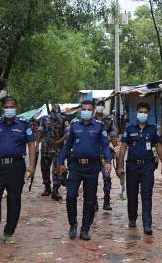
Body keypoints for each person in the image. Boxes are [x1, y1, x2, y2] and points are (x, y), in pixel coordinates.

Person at [0, 96, 36, 249]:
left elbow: (31, 145)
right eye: (6, 106)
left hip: (16, 167)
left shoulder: (24, 125)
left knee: (14, 200)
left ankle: (9, 232)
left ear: (16, 108)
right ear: (3, 108)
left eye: (12, 106)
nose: (9, 109)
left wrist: (31, 165)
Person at [57, 100, 112, 241]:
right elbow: (67, 145)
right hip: (75, 166)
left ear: (93, 111)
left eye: (88, 109)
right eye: (84, 109)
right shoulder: (74, 126)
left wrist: (108, 161)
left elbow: (105, 145)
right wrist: (60, 161)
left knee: (89, 200)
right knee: (70, 195)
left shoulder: (99, 126)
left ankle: (85, 229)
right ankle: (73, 224)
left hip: (92, 167)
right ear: (80, 110)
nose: (86, 112)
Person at [115, 101, 162, 235]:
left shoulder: (152, 129)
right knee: (132, 195)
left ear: (148, 114)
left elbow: (159, 146)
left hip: (147, 167)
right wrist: (119, 166)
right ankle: (132, 218)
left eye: (145, 112)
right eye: (140, 112)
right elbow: (123, 147)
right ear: (136, 113)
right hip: (132, 166)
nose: (142, 114)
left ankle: (147, 224)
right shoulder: (130, 128)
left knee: (147, 195)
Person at [35, 104, 64, 197]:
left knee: (57, 168)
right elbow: (40, 131)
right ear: (51, 112)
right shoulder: (44, 119)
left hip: (57, 148)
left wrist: (60, 141)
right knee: (45, 168)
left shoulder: (63, 119)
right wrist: (36, 145)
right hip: (46, 147)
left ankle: (55, 189)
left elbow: (68, 133)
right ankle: (47, 187)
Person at [94, 99, 117, 211]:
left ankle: (106, 201)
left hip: (105, 154)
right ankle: (93, 202)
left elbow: (113, 136)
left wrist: (117, 150)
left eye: (102, 105)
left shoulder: (108, 120)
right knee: (92, 179)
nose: (100, 106)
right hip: (92, 154)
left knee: (107, 177)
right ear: (95, 106)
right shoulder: (90, 119)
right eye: (98, 105)